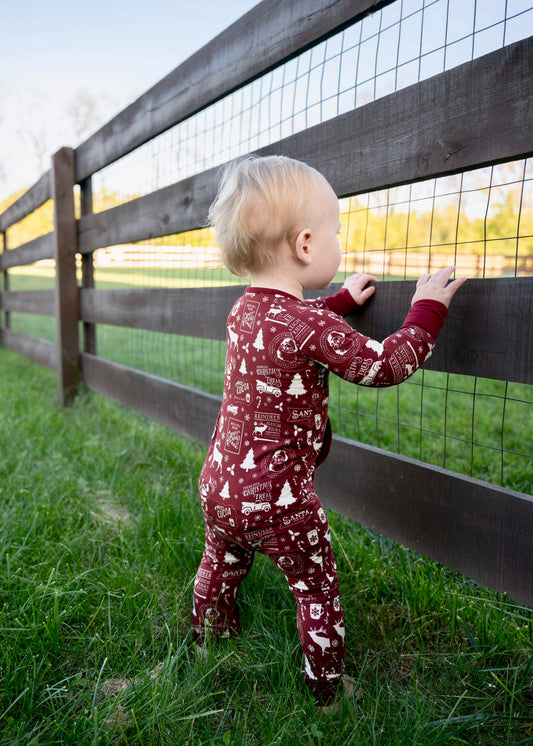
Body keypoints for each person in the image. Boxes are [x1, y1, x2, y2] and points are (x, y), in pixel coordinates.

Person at [192, 154, 466, 707]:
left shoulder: (243, 311)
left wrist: (338, 303)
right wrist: (426, 311)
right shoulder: (309, 324)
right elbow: (383, 364)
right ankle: (327, 692)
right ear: (306, 246)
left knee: (220, 561)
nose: (340, 244)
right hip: (280, 503)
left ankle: (207, 637)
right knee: (315, 587)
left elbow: (288, 326)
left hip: (219, 486)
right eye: (337, 232)